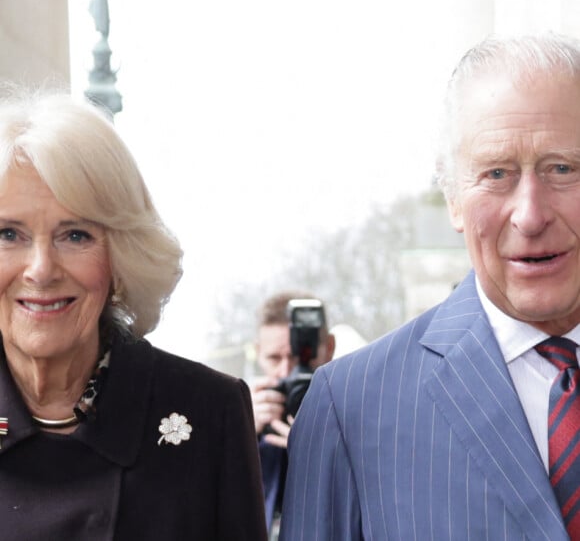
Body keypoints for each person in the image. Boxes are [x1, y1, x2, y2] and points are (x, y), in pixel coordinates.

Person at [280, 31, 580, 541]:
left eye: (563, 168)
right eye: (497, 173)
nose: (530, 215)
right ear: (453, 199)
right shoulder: (351, 409)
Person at [0, 89, 267, 540]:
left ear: (122, 256)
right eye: (9, 233)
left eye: (76, 235)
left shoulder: (207, 413)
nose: (41, 270)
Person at [251, 291, 335, 536]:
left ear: (329, 348)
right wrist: (242, 434)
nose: (287, 371)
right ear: (258, 352)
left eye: (300, 357)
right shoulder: (242, 415)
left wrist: (322, 449)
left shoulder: (358, 412)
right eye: (274, 358)